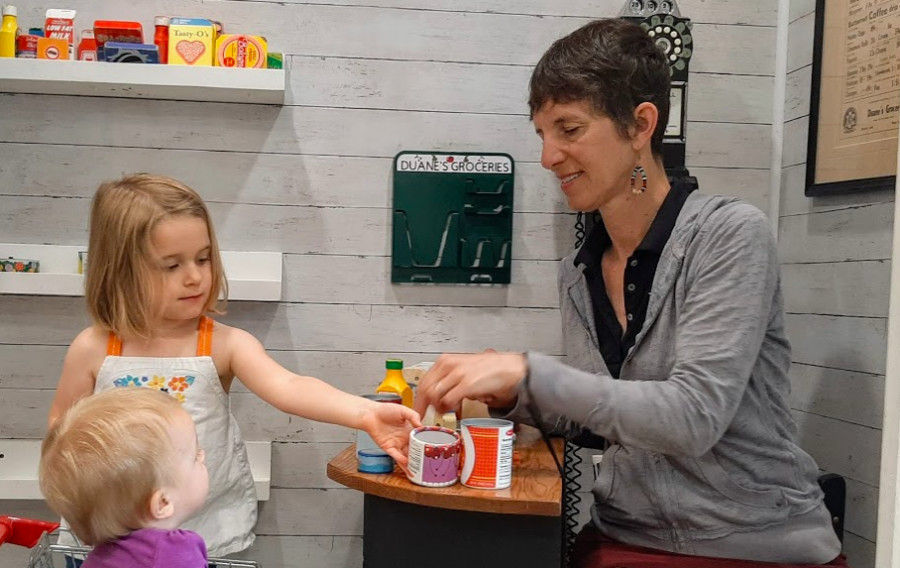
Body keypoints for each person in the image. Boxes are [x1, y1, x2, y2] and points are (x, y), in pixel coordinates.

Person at [415, 18, 847, 567]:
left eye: (569, 129)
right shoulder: (583, 267)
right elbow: (599, 418)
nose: (548, 156)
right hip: (626, 535)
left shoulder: (729, 235)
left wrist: (528, 371)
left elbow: (692, 418)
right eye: (542, 134)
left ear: (641, 124)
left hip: (754, 544)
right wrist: (510, 396)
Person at [49, 174, 421, 559]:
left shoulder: (224, 344)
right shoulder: (93, 348)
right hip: (109, 542)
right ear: (121, 271)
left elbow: (289, 387)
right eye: (171, 265)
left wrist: (366, 413)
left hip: (205, 536)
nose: (195, 276)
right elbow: (62, 433)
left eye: (203, 258)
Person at [41, 388, 211, 568]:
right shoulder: (174, 554)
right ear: (162, 502)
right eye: (195, 457)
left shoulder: (105, 554)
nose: (203, 455)